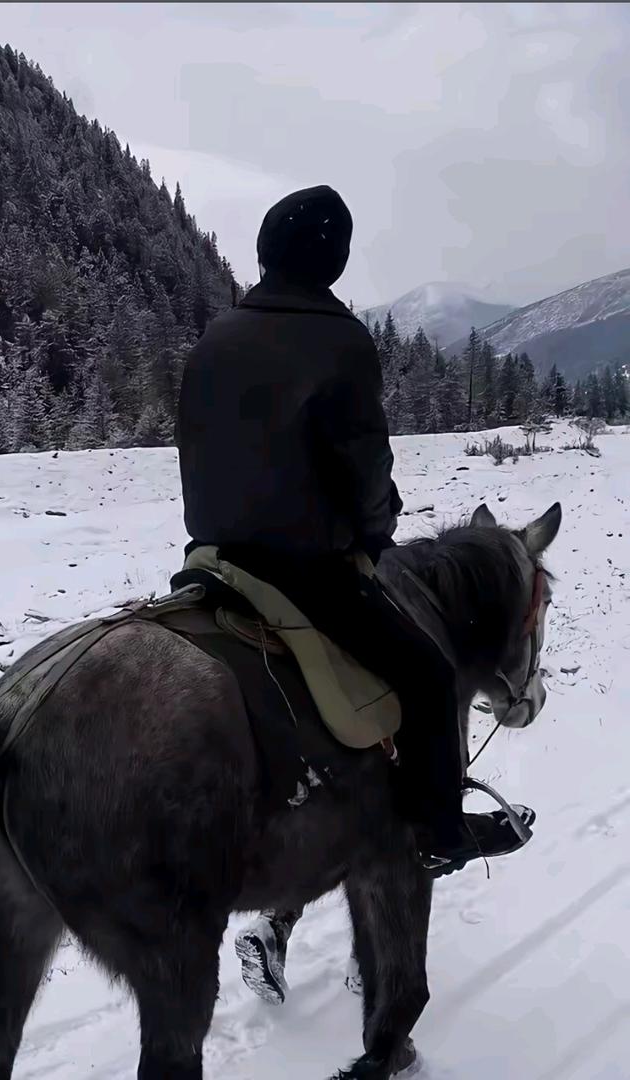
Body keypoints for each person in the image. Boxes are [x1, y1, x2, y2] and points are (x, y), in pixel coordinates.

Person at [176, 185, 530, 877]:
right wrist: (376, 532)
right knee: (429, 675)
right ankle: (437, 831)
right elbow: (366, 465)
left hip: (209, 558)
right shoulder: (339, 339)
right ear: (332, 260)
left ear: (266, 252)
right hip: (303, 572)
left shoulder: (217, 334)